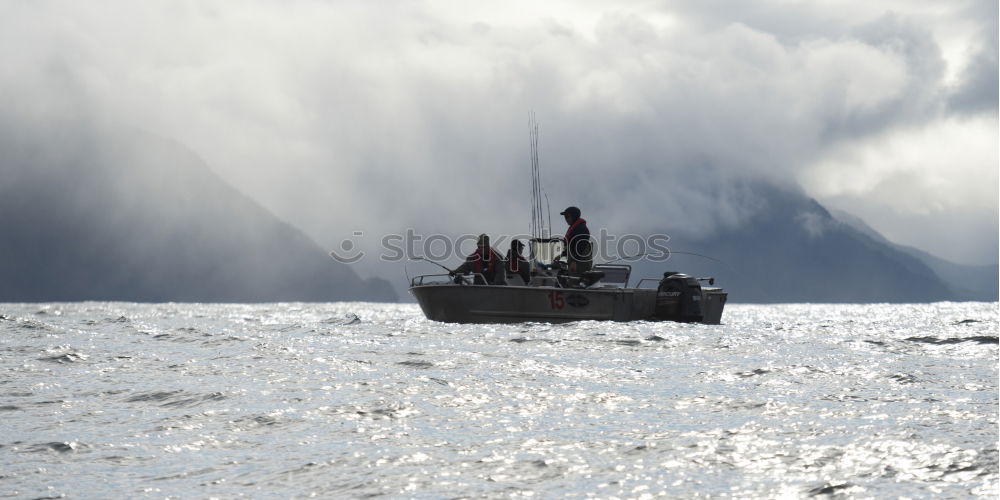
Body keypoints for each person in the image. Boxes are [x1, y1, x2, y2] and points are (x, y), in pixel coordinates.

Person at [560, 206, 593, 275]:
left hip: (580, 263)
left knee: (576, 282)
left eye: (568, 217)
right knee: (571, 281)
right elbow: (570, 246)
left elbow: (581, 247)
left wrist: (575, 262)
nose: (566, 219)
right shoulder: (573, 228)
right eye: (565, 217)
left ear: (574, 216)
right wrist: (562, 255)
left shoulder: (582, 229)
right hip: (573, 261)